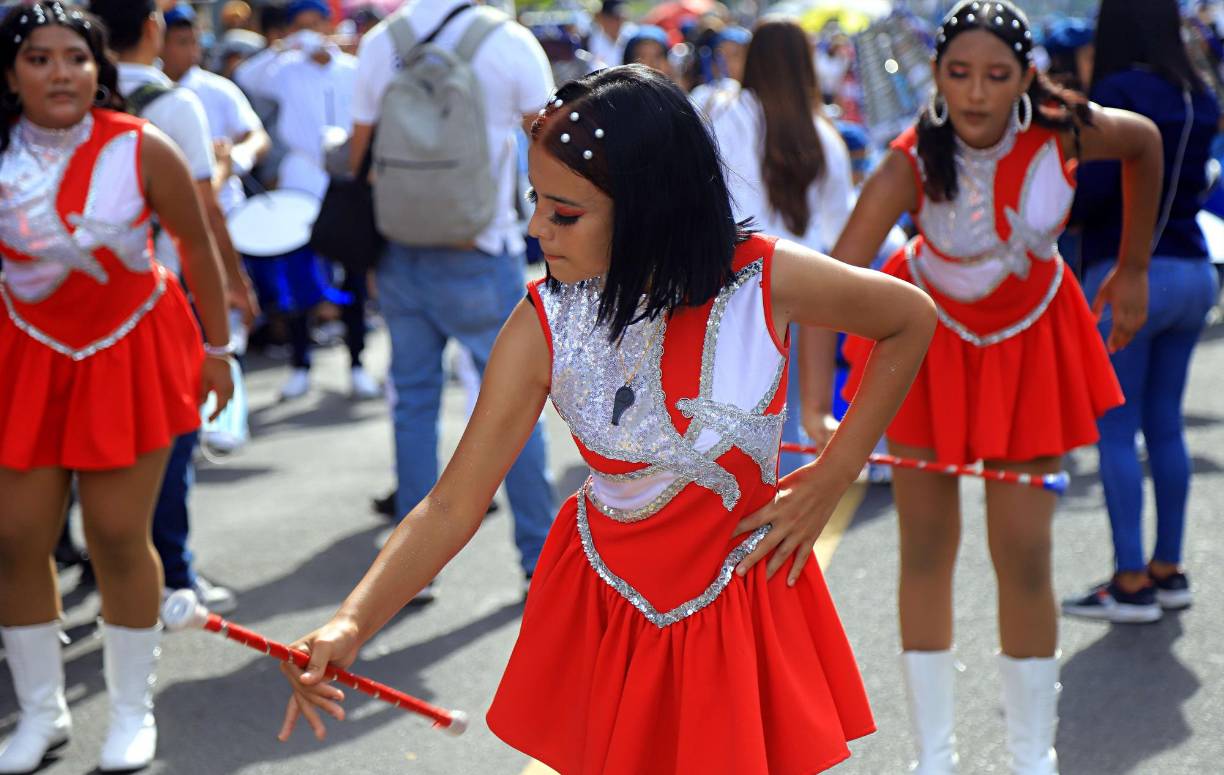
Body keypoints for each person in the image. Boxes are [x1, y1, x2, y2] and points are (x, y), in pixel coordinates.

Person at [276, 64, 936, 774]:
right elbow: (451, 504)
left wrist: (835, 473)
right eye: (535, 201)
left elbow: (909, 318)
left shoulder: (763, 280)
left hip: (738, 601)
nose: (536, 229)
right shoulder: (545, 322)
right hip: (610, 609)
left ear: (650, 204)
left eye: (564, 213)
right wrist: (353, 619)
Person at [819, 2, 1162, 772]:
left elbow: (1146, 144)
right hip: (928, 352)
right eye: (959, 73)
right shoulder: (910, 158)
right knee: (926, 550)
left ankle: (1030, 755)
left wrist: (1132, 265)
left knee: (1025, 553)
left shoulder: (1068, 129)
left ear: (1026, 76)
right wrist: (816, 397)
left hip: (1030, 340)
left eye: (997, 75)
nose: (976, 93)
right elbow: (835, 278)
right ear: (936, 75)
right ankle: (934, 757)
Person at [0, 3, 233, 772]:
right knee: (15, 539)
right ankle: (41, 713)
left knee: (116, 538)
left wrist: (219, 348)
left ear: (100, 69)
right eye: (39, 58)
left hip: (128, 350)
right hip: (26, 353)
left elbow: (196, 248)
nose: (59, 71)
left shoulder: (140, 145)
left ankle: (133, 712)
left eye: (75, 56)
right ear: (11, 73)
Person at [346, 0, 559, 596]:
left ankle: (414, 573)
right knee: (514, 408)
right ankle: (536, 560)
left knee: (413, 401)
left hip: (401, 248)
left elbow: (361, 152)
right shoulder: (510, 42)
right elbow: (547, 139)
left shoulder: (381, 41)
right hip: (480, 245)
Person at [89, 0, 252, 615]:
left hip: (72, 303)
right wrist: (235, 285)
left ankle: (97, 560)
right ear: (152, 29)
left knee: (92, 435)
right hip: (160, 297)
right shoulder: (175, 104)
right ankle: (175, 578)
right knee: (170, 437)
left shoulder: (72, 102)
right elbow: (202, 216)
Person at [1061, 0, 1221, 624]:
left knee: (1117, 429)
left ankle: (1130, 582)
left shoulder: (1119, 90)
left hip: (1125, 276)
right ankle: (1168, 568)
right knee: (1166, 425)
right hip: (1192, 267)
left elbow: (1095, 193)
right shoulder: (1198, 91)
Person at [707, 18, 855, 476]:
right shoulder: (826, 136)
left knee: (729, 435)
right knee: (787, 434)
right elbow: (839, 235)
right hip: (805, 297)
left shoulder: (725, 113)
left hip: (734, 293)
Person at [234, 0, 376, 402]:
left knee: (352, 272)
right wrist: (286, 46)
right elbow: (246, 74)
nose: (311, 31)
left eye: (317, 23)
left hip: (345, 176)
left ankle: (357, 361)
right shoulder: (283, 70)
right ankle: (300, 363)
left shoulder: (352, 69)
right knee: (298, 271)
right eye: (302, 25)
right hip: (301, 176)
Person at [160, 3, 271, 219]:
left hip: (227, 210)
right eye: (182, 42)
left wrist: (235, 159)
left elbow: (258, 137)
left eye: (195, 42)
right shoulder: (149, 90)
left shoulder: (219, 89)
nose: (192, 50)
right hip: (169, 215)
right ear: (160, 43)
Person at [588, 0, 635, 69]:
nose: (617, 22)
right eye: (612, 17)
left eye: (620, 18)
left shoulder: (632, 35)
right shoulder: (589, 41)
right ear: (601, 17)